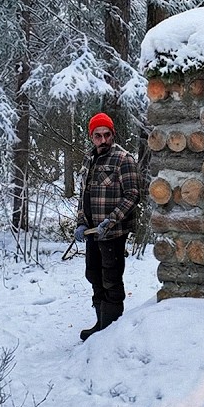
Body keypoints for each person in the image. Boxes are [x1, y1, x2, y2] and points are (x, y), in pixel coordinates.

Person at [74, 112, 141, 341]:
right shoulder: (89, 159)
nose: (103, 140)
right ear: (91, 137)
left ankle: (111, 332)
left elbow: (133, 195)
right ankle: (101, 324)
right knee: (93, 274)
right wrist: (82, 222)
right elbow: (84, 195)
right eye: (97, 136)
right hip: (92, 232)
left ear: (112, 134)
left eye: (106, 135)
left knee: (111, 279)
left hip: (113, 233)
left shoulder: (124, 159)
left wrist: (109, 221)